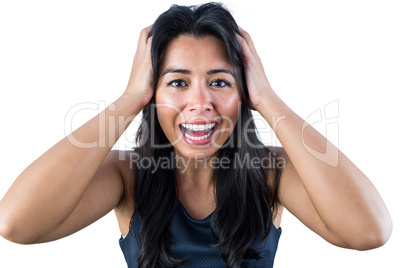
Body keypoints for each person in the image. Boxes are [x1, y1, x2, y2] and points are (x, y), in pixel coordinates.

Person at [0, 2, 392, 268]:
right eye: (178, 82)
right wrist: (131, 97)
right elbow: (16, 223)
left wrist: (269, 98)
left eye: (220, 82)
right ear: (154, 91)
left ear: (244, 94)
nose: (200, 101)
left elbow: (370, 231)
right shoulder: (127, 176)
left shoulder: (272, 173)